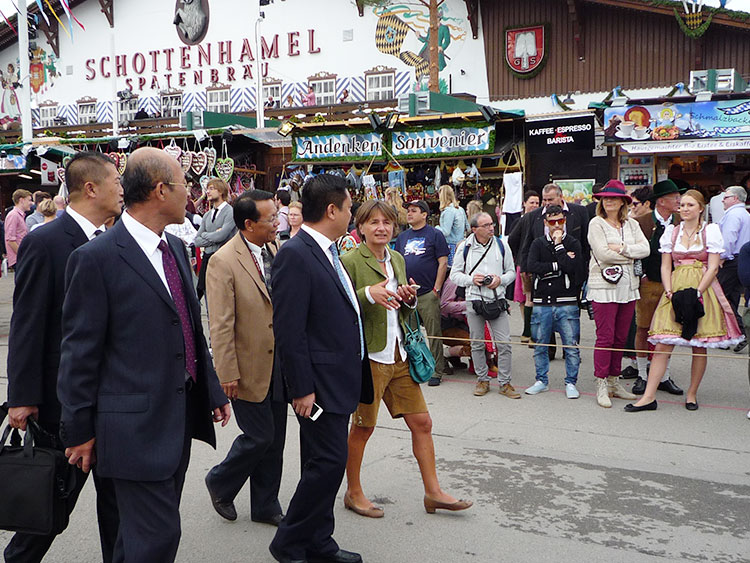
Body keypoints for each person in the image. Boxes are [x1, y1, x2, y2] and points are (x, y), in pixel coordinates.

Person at [56, 147, 231, 563]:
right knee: (157, 538)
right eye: (183, 184)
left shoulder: (171, 247)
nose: (190, 193)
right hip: (131, 430)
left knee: (136, 538)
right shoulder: (95, 259)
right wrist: (78, 430)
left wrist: (212, 391)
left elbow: (188, 326)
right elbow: (79, 352)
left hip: (175, 420)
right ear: (159, 191)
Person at [4, 152, 123, 563]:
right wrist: (22, 396)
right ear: (90, 188)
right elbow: (27, 325)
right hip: (62, 407)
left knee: (118, 510)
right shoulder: (46, 242)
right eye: (115, 180)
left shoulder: (115, 241)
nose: (122, 189)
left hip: (113, 403)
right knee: (51, 508)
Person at [341, 200, 472, 518]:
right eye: (373, 222)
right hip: (369, 356)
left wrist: (408, 298)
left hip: (400, 353)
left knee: (422, 423)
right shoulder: (349, 261)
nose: (381, 227)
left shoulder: (397, 259)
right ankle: (353, 493)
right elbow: (338, 304)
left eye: (386, 222)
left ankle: (433, 492)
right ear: (361, 227)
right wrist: (368, 294)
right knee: (362, 428)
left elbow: (401, 306)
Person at [269, 174, 373, 563]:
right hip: (317, 384)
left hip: (337, 377)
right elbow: (290, 329)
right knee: (328, 464)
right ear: (332, 210)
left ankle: (319, 542)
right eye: (349, 207)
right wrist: (301, 388)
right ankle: (289, 541)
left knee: (323, 464)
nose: (352, 214)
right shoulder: (297, 254)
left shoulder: (327, 251)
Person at [204, 190, 287, 527]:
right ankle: (220, 481)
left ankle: (266, 505)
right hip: (246, 365)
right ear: (249, 224)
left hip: (279, 362)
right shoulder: (222, 261)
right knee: (259, 436)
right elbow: (221, 323)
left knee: (276, 440)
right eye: (270, 218)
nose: (277, 222)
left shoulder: (274, 248)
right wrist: (226, 372)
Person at [626, 190, 744, 413]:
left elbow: (713, 266)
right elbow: (665, 265)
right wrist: (669, 291)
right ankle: (649, 396)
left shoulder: (711, 231)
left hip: (702, 288)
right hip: (676, 288)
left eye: (690, 205)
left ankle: (691, 393)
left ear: (701, 208)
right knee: (663, 343)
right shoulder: (672, 232)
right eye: (683, 205)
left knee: (698, 345)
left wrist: (698, 291)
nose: (685, 209)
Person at [586, 181, 649, 408]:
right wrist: (632, 255)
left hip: (628, 287)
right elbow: (602, 254)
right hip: (603, 287)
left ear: (623, 201)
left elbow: (646, 249)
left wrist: (622, 249)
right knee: (605, 337)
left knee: (621, 337)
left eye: (613, 197)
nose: (608, 201)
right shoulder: (596, 224)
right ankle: (601, 382)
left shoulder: (631, 224)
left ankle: (614, 381)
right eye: (605, 197)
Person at [450, 212, 517, 398]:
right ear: (474, 229)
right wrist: (472, 279)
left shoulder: (502, 245)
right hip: (474, 301)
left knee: (504, 343)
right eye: (486, 225)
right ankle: (482, 379)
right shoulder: (465, 247)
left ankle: (505, 382)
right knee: (477, 343)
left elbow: (512, 272)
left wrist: (500, 280)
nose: (491, 228)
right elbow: (454, 275)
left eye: (492, 224)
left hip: (497, 300)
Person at [525, 205, 586, 399]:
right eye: (552, 222)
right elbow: (532, 265)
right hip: (542, 301)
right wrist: (558, 264)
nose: (557, 225)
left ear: (565, 220)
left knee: (571, 345)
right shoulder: (538, 243)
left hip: (567, 301)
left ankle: (571, 382)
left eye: (560, 221)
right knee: (540, 344)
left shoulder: (573, 243)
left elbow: (575, 269)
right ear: (545, 223)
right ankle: (541, 380)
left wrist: (559, 246)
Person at [631, 180, 684, 395]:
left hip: (674, 283)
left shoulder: (682, 220)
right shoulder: (641, 222)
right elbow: (635, 252)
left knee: (669, 331)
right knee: (643, 328)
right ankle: (643, 375)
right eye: (675, 197)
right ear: (661, 201)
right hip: (649, 283)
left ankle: (664, 375)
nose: (679, 201)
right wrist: (640, 275)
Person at [394, 200, 450, 387]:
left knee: (433, 333)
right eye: (408, 211)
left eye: (414, 211)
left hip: (428, 293)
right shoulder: (402, 237)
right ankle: (416, 366)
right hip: (408, 294)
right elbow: (398, 262)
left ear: (424, 214)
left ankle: (437, 370)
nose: (409, 214)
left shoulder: (435, 235)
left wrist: (437, 289)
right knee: (411, 334)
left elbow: (443, 263)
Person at [520, 183, 591, 272]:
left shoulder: (579, 211)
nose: (547, 203)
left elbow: (585, 241)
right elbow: (527, 244)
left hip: (573, 272)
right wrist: (524, 269)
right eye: (544, 200)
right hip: (545, 273)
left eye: (550, 199)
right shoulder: (534, 215)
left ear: (560, 196)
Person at [717, 186, 750, 353]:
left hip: (731, 260)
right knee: (733, 297)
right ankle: (731, 335)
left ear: (735, 198)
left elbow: (728, 239)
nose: (723, 199)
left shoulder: (733, 214)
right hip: (741, 260)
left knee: (721, 297)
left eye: (726, 196)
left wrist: (721, 257)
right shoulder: (744, 214)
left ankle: (740, 332)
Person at [193, 178, 237, 300]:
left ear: (221, 191)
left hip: (224, 261)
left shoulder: (230, 212)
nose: (208, 192)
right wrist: (213, 234)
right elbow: (196, 240)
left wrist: (206, 235)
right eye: (208, 189)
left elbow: (222, 236)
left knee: (220, 297)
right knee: (204, 294)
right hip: (207, 260)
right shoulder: (207, 215)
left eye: (212, 189)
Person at [508, 190, 540, 344]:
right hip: (523, 263)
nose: (534, 205)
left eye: (537, 203)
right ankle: (528, 329)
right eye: (532, 202)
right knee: (524, 299)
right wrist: (518, 255)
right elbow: (512, 240)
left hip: (531, 263)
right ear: (524, 203)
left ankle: (529, 330)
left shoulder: (541, 218)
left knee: (529, 298)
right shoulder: (522, 220)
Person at [437, 184, 469, 267]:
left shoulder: (448, 212)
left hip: (451, 246)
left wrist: (436, 228)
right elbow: (468, 227)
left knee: (452, 271)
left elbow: (446, 232)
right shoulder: (460, 209)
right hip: (461, 243)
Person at [4, 188, 32, 271]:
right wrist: (22, 255)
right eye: (29, 200)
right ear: (21, 200)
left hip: (21, 257)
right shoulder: (13, 216)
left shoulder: (19, 216)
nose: (31, 203)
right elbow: (10, 240)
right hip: (19, 258)